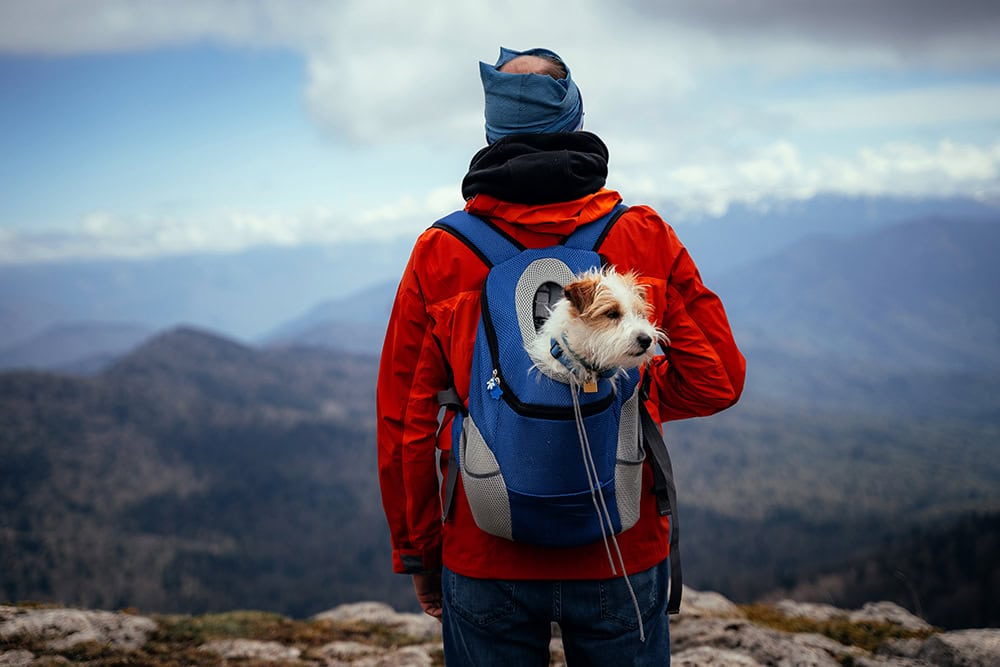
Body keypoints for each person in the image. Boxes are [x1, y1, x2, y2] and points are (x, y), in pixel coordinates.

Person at [377, 46, 746, 666]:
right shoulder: (640, 235)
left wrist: (418, 551)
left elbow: (405, 421)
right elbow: (717, 380)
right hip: (619, 543)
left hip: (484, 544)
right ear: (574, 120)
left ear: (493, 132)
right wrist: (620, 396)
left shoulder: (441, 250)